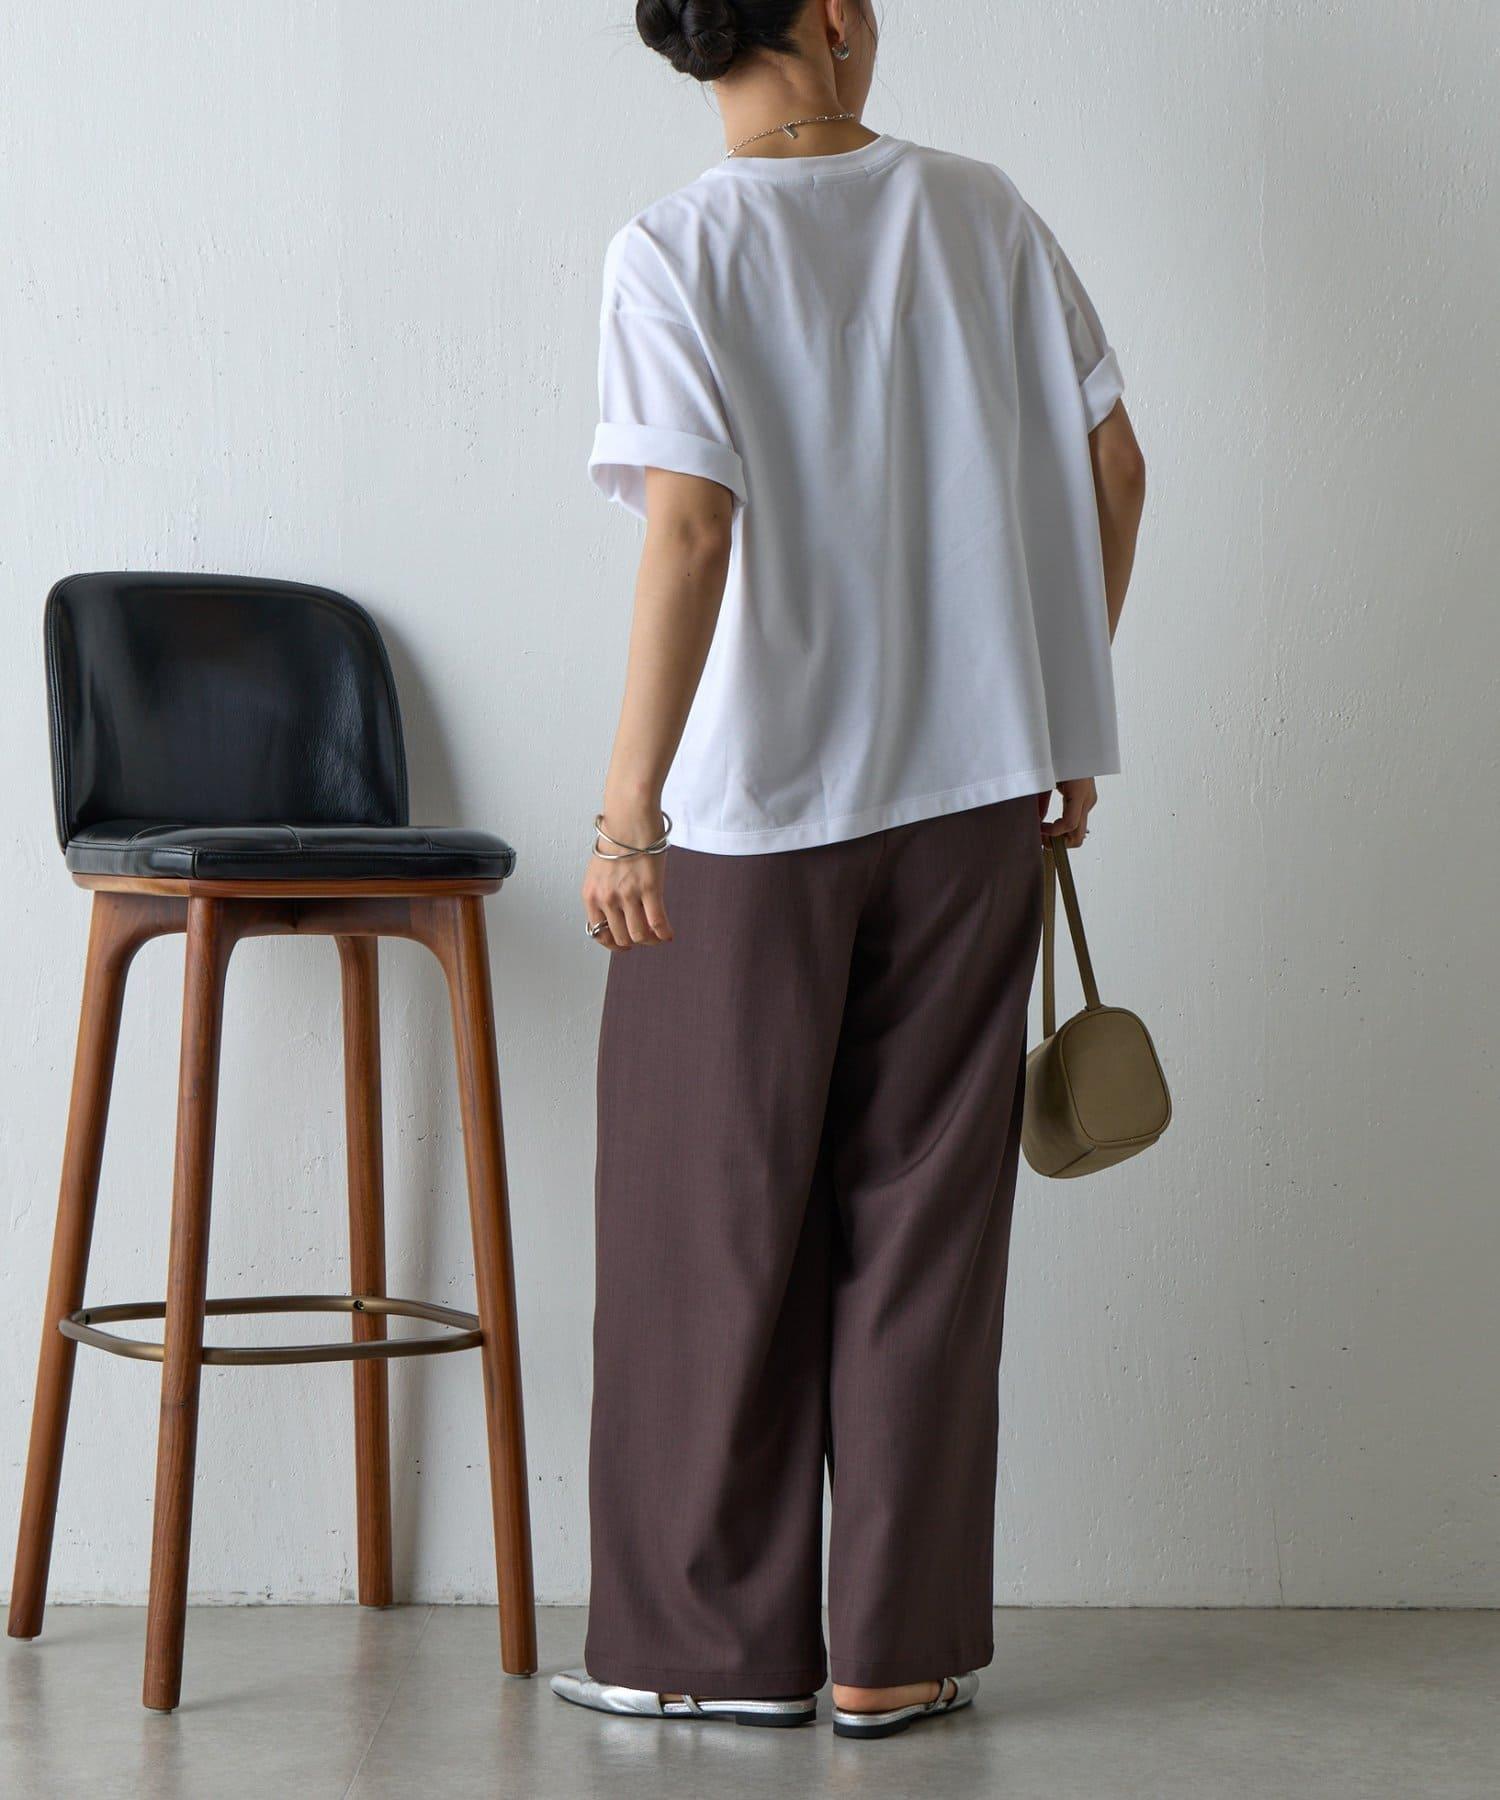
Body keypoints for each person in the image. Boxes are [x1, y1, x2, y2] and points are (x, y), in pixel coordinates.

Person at [554, 0, 1146, 1741]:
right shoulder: (984, 213)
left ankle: (704, 1648)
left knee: (706, 1226)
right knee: (925, 1231)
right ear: (828, 16)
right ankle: (895, 1653)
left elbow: (691, 527)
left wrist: (627, 812)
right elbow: (1116, 466)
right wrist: (1056, 710)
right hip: (973, 806)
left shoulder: (675, 249)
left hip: (750, 822)